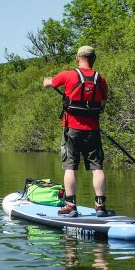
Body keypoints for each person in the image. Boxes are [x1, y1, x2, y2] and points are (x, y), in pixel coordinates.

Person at [42, 45, 109, 218]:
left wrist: (48, 80)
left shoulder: (68, 75)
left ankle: (71, 206)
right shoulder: (100, 80)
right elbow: (101, 106)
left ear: (78, 58)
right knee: (97, 167)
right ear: (93, 59)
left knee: (70, 167)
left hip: (71, 130)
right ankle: (100, 206)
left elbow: (49, 84)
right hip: (93, 131)